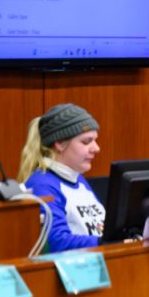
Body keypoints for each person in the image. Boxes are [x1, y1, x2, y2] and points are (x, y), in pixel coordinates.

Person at [19, 104, 106, 252]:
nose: (96, 148)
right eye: (86, 141)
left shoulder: (78, 179)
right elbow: (57, 242)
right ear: (59, 143)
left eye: (95, 140)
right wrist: (109, 242)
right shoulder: (42, 185)